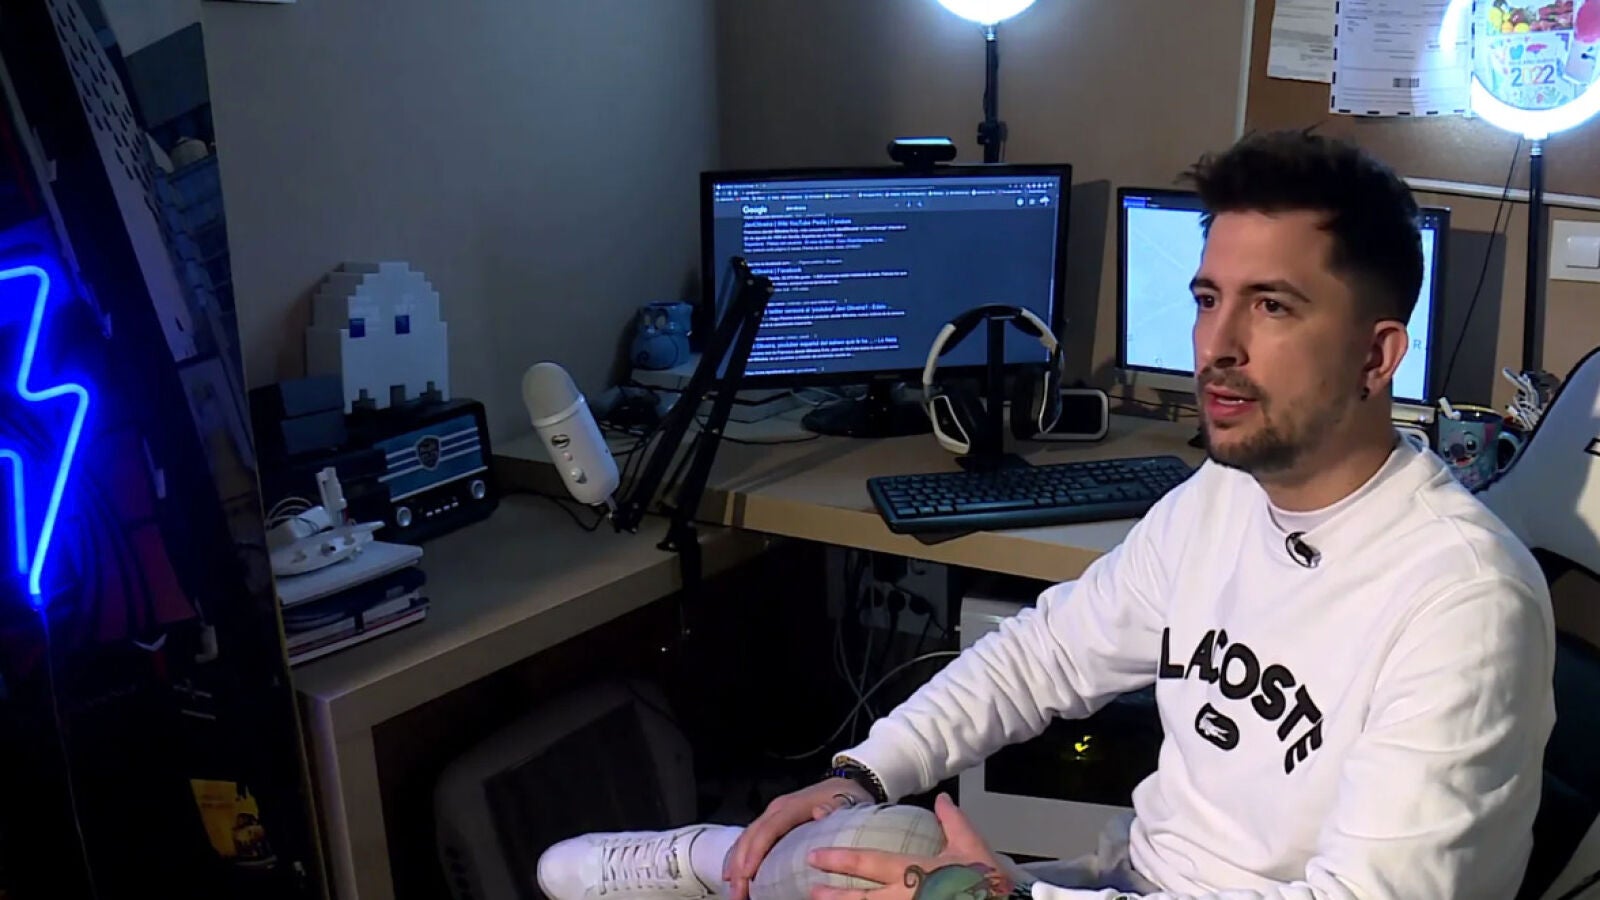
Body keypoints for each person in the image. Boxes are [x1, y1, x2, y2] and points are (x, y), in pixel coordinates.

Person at [536, 130, 1556, 900]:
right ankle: (729, 859)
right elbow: (1042, 658)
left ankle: (729, 868)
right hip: (1135, 880)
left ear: (1378, 355)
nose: (1217, 346)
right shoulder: (1222, 496)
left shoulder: (1462, 604)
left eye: (1272, 305)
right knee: (875, 851)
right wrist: (863, 774)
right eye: (1208, 298)